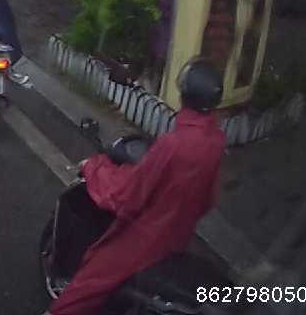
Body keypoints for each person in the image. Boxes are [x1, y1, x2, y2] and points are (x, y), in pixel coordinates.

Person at [44, 58, 225, 315]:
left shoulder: (173, 144)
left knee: (88, 283)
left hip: (145, 237)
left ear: (185, 94)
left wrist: (95, 169)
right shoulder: (216, 140)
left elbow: (128, 196)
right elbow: (207, 198)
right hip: (178, 235)